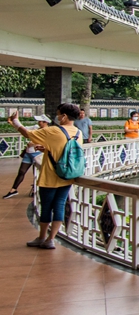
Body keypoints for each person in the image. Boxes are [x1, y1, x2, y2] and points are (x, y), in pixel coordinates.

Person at [7, 104, 82, 249]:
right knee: (59, 206)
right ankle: (51, 239)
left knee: (46, 207)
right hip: (67, 176)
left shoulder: (54, 130)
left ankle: (42, 237)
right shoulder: (78, 132)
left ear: (64, 116)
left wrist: (15, 121)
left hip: (50, 177)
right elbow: (64, 150)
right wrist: (47, 149)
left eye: (58, 114)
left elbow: (28, 134)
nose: (57, 117)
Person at [4, 116, 49, 199]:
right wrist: (12, 122)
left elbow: (47, 142)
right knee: (21, 171)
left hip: (38, 154)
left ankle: (35, 190)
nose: (39, 123)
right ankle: (13, 190)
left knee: (36, 173)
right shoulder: (36, 127)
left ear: (46, 122)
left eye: (40, 121)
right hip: (28, 153)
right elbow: (23, 129)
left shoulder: (48, 131)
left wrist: (35, 143)